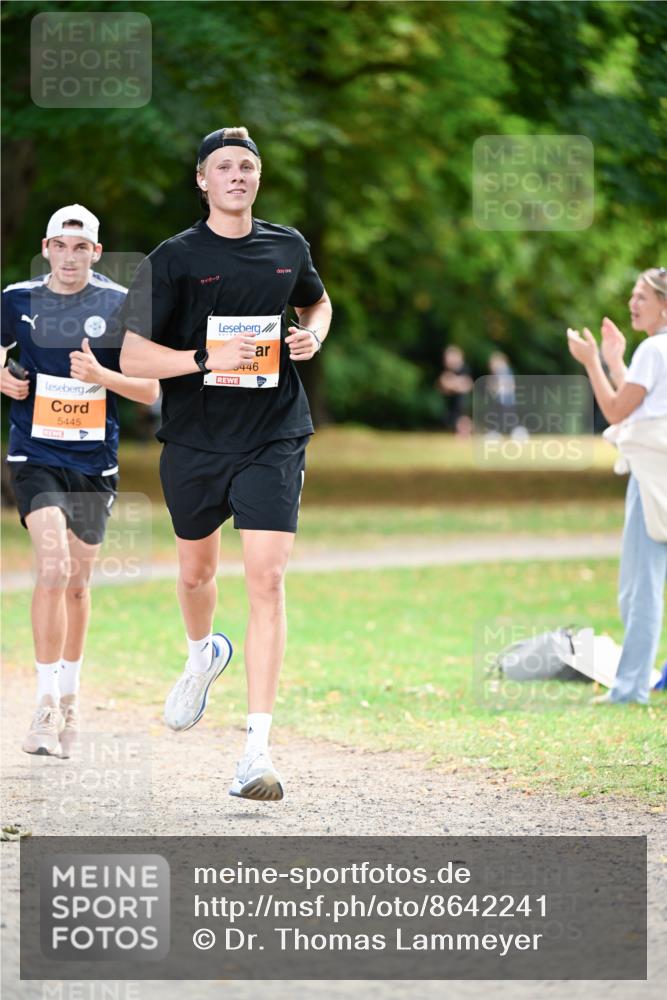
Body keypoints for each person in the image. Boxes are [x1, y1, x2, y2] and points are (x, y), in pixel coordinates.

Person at [120, 127, 333, 801]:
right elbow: (131, 359)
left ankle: (256, 751)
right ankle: (201, 655)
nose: (237, 175)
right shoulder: (173, 259)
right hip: (195, 438)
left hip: (274, 433)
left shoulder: (287, 245)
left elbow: (315, 301)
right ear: (202, 181)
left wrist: (311, 336)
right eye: (224, 166)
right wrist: (205, 361)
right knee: (196, 572)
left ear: (257, 178)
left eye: (247, 165)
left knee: (266, 581)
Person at [1, 204, 159, 755]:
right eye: (59, 246)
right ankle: (43, 707)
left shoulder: (120, 305)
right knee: (52, 566)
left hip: (94, 463)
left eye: (81, 247)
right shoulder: (15, 300)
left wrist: (102, 375)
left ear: (96, 252)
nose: (69, 257)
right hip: (34, 454)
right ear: (46, 248)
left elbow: (150, 391)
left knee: (76, 583)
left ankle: (69, 698)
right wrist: (5, 379)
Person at [567, 267, 667, 704]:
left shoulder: (654, 348)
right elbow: (640, 400)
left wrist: (591, 361)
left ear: (664, 305)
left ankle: (629, 688)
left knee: (639, 587)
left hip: (651, 475)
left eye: (642, 296)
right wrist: (613, 359)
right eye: (632, 294)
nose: (633, 302)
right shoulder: (655, 350)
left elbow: (616, 410)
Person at [436, 345, 473, 435]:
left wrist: (452, 383)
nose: (447, 360)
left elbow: (467, 384)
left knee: (461, 418)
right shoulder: (449, 371)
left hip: (461, 405)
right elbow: (442, 384)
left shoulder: (463, 369)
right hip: (452, 406)